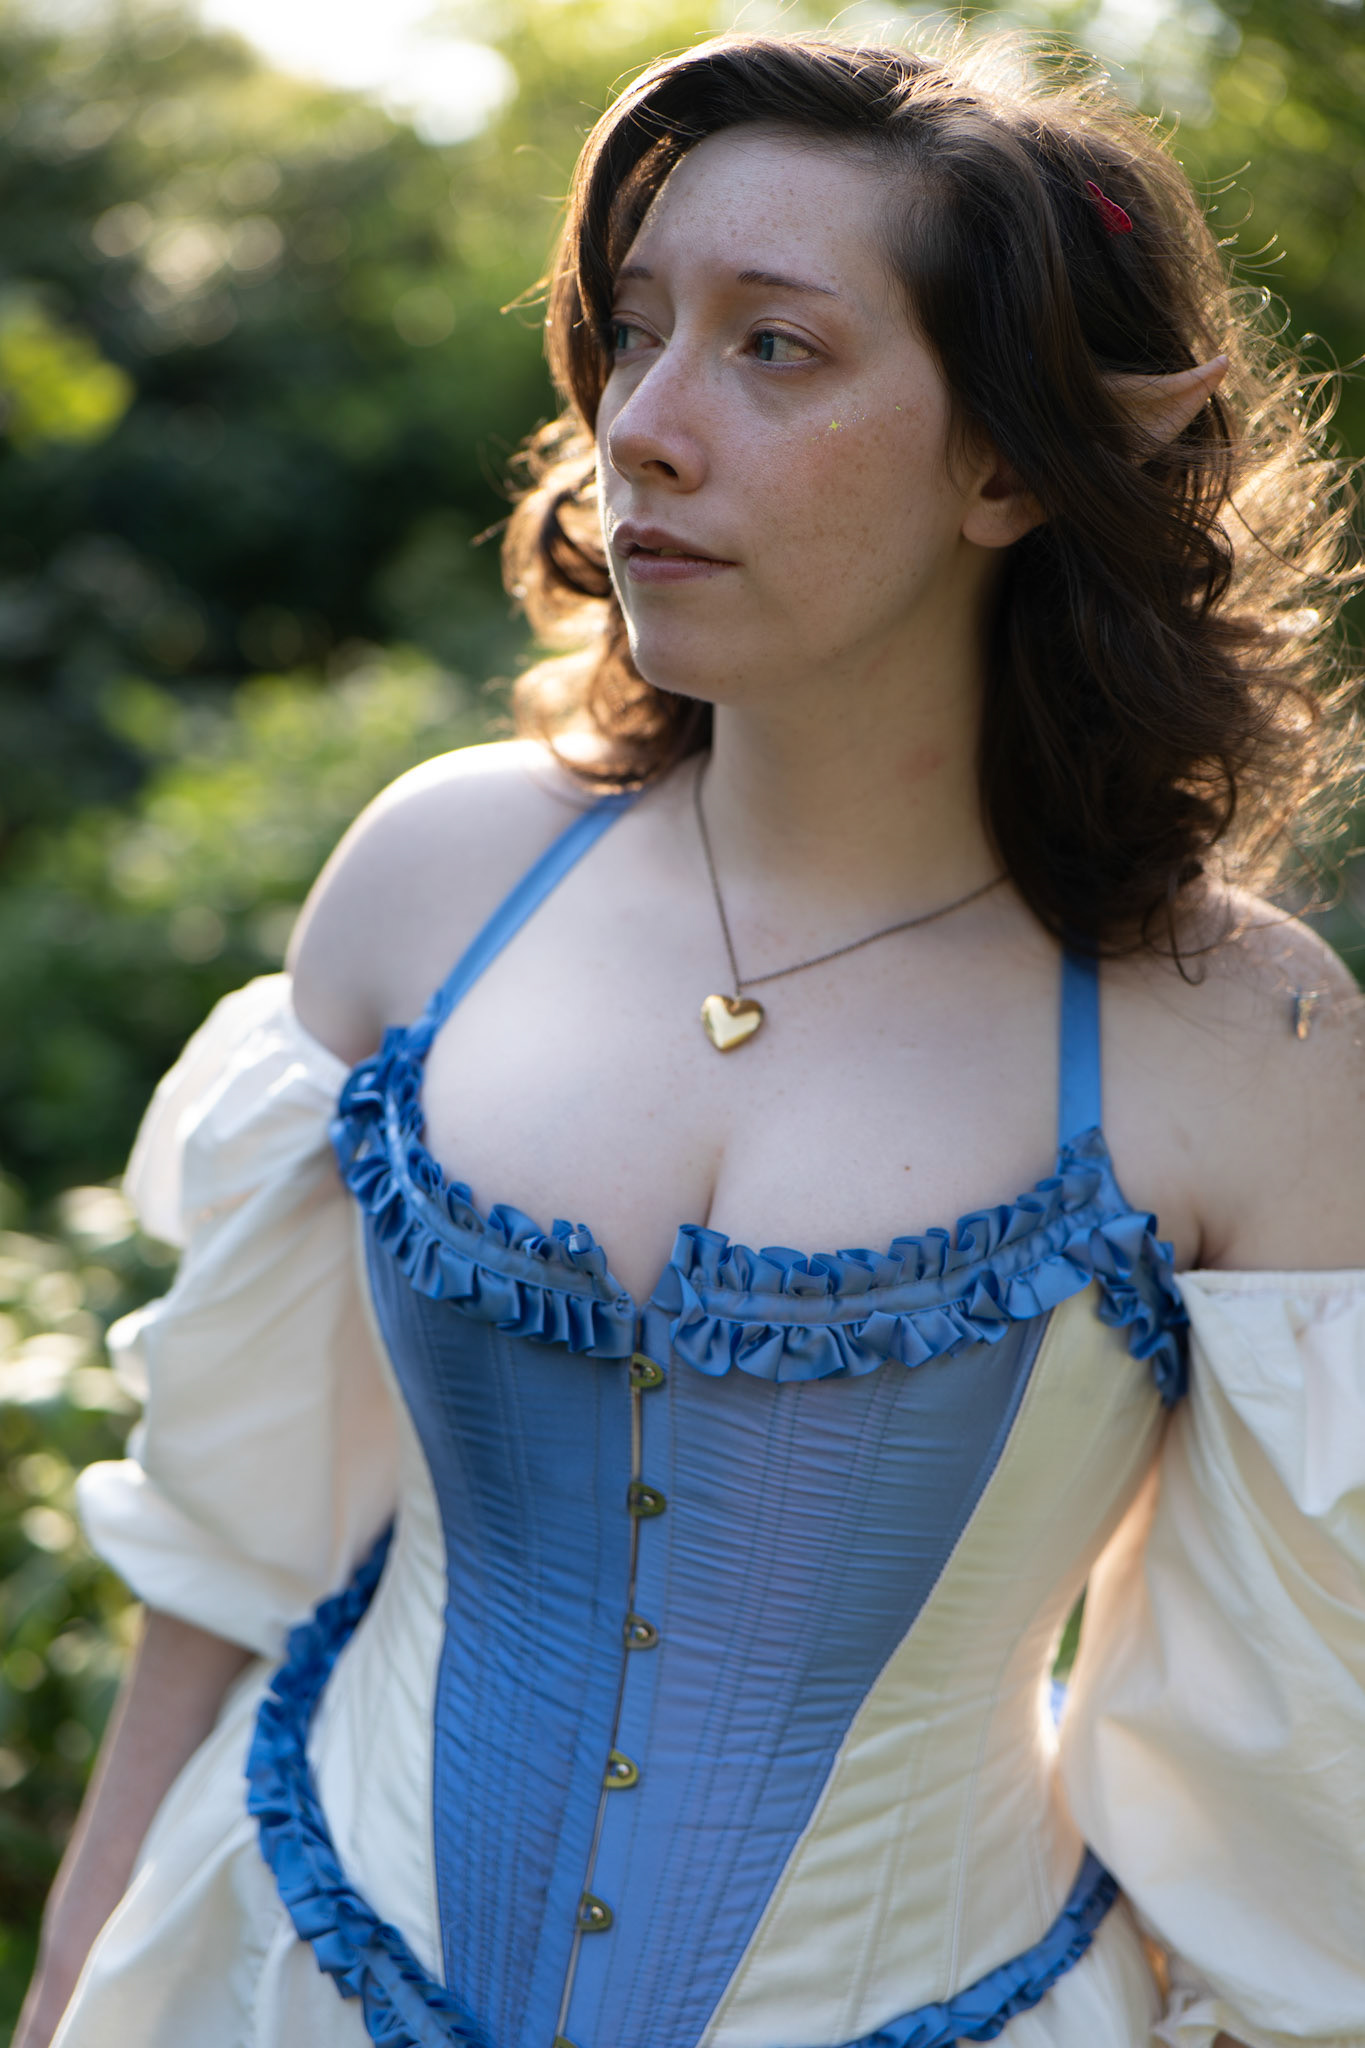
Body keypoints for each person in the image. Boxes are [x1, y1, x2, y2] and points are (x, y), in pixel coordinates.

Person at [17, 28, 1365, 2048]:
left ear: (1010, 465)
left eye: (773, 348)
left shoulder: (1244, 1040)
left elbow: (1293, 1780)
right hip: (286, 1976)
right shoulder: (441, 876)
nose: (638, 428)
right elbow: (236, 1539)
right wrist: (74, 1969)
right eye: (634, 333)